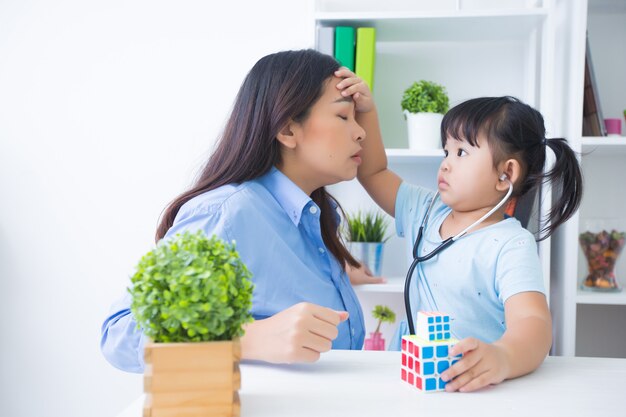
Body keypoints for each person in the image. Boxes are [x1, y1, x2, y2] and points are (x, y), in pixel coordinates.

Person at [100, 49, 384, 373]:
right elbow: (121, 333)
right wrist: (247, 339)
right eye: (344, 116)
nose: (361, 131)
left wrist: (334, 276)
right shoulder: (227, 214)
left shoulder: (313, 216)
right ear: (289, 130)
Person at [337, 71, 583, 392]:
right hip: (410, 379)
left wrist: (503, 357)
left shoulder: (510, 243)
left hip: (471, 388)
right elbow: (372, 171)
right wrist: (366, 112)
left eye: (461, 153)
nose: (445, 164)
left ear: (505, 174)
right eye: (446, 152)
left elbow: (533, 324)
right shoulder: (425, 209)